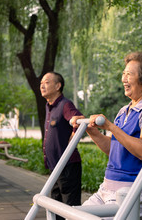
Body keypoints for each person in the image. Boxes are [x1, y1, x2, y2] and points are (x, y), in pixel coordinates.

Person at [71, 52, 142, 220]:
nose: (124, 79)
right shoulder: (123, 111)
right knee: (73, 216)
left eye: (130, 74)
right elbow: (114, 148)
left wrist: (110, 127)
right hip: (107, 188)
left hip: (133, 190)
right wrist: (92, 131)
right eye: (123, 73)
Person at [40, 72, 83, 220]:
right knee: (55, 207)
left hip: (68, 167)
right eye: (41, 83)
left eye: (46, 82)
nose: (42, 85)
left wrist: (74, 135)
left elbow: (80, 119)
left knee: (70, 209)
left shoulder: (65, 104)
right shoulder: (49, 106)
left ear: (58, 86)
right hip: (55, 167)